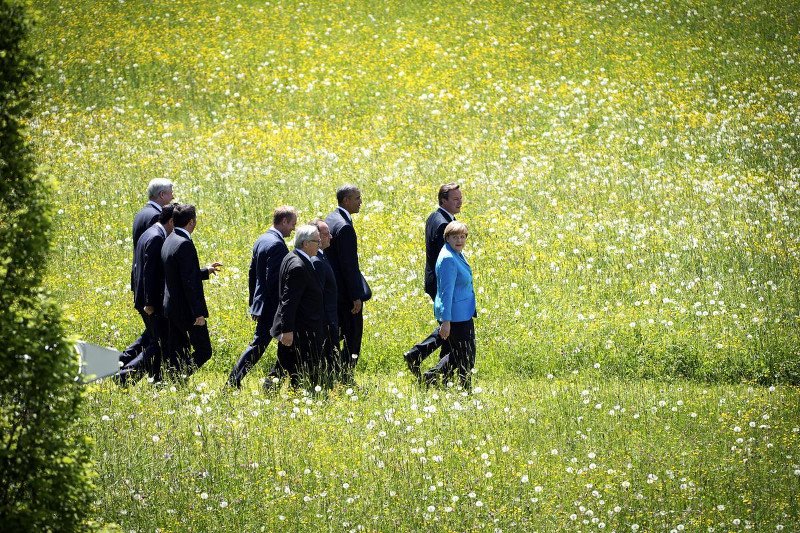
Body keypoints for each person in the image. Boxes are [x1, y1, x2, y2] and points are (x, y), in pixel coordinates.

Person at [227, 207, 297, 388]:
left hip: (263, 304)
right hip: (272, 306)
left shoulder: (262, 240)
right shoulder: (277, 245)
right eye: (292, 224)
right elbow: (275, 282)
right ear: (283, 222)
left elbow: (253, 274)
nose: (293, 229)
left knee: (278, 345)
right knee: (260, 345)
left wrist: (254, 303)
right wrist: (281, 309)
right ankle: (235, 381)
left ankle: (270, 382)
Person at [404, 183, 463, 379]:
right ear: (443, 200)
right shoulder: (442, 224)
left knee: (450, 327)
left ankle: (439, 371)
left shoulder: (435, 217)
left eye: (460, 198)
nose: (459, 202)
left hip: (436, 280)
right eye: (455, 199)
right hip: (442, 282)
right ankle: (419, 356)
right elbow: (444, 260)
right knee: (450, 326)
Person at [161, 204, 222, 378]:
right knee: (204, 350)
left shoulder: (170, 239)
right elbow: (190, 284)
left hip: (171, 306)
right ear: (191, 222)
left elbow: (182, 274)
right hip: (186, 310)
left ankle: (174, 380)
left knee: (179, 349)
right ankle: (178, 377)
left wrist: (205, 271)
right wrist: (199, 314)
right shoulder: (184, 244)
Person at [118, 203, 176, 384]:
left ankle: (126, 364)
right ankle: (126, 376)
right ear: (172, 221)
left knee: (152, 337)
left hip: (143, 297)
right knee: (159, 343)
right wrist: (150, 302)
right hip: (150, 301)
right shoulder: (157, 238)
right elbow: (150, 272)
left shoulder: (149, 233)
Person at [423, 221, 477, 390]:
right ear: (447, 238)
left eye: (462, 236)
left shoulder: (456, 253)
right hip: (455, 315)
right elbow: (446, 291)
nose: (459, 240)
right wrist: (446, 321)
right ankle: (465, 389)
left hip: (462, 312)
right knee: (466, 355)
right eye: (455, 237)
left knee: (458, 353)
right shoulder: (448, 258)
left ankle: (431, 376)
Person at [269, 225, 325, 388]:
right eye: (316, 241)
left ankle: (270, 389)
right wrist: (287, 331)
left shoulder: (291, 257)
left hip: (298, 327)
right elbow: (289, 301)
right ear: (305, 244)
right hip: (300, 329)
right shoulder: (298, 266)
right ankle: (295, 394)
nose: (320, 243)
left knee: (285, 364)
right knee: (298, 368)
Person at [325, 185, 371, 383]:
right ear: (346, 201)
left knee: (336, 336)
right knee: (353, 337)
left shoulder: (331, 219)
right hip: (345, 295)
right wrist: (356, 296)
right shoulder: (344, 227)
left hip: (332, 292)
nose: (360, 202)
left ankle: (332, 373)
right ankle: (345, 377)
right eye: (357, 198)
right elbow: (349, 266)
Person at [310, 218, 339, 382]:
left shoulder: (322, 257)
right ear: (318, 237)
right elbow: (318, 294)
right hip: (325, 319)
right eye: (327, 234)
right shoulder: (317, 261)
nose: (331, 237)